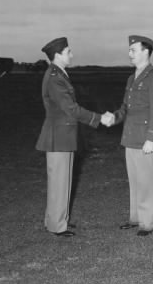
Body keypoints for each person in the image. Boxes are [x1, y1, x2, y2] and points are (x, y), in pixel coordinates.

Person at [35, 37, 112, 237]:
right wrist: (98, 118)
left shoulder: (58, 74)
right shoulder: (55, 77)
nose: (72, 55)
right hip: (58, 136)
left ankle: (56, 220)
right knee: (60, 181)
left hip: (62, 135)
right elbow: (70, 108)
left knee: (62, 180)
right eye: (68, 51)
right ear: (58, 55)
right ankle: (57, 226)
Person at [104, 35, 153, 236]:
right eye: (129, 50)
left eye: (133, 50)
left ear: (145, 52)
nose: (129, 54)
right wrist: (114, 118)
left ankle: (147, 223)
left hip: (145, 139)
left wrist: (152, 138)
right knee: (135, 179)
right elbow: (125, 108)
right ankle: (136, 218)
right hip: (130, 136)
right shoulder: (132, 78)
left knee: (147, 180)